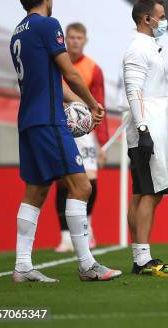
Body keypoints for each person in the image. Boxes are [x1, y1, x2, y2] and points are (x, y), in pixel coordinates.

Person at [10, 0, 120, 282]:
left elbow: (54, 81)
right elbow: (70, 73)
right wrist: (93, 103)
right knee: (82, 186)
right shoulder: (48, 25)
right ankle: (86, 264)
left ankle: (22, 266)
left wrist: (80, 104)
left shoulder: (18, 33)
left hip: (28, 120)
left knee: (37, 189)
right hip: (48, 120)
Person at [123, 0, 168, 274]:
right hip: (146, 129)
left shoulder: (152, 48)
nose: (164, 20)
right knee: (150, 192)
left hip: (157, 128)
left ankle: (140, 255)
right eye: (161, 15)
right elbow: (134, 91)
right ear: (147, 19)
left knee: (143, 191)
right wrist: (144, 129)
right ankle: (142, 258)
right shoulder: (137, 49)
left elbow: (159, 95)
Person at [55, 22, 109, 253]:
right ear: (66, 39)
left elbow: (99, 105)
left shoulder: (92, 69)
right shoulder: (57, 64)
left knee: (89, 180)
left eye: (79, 37)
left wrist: (103, 143)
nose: (75, 41)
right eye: (71, 37)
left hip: (85, 134)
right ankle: (65, 235)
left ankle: (87, 227)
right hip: (60, 128)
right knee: (62, 181)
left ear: (85, 40)